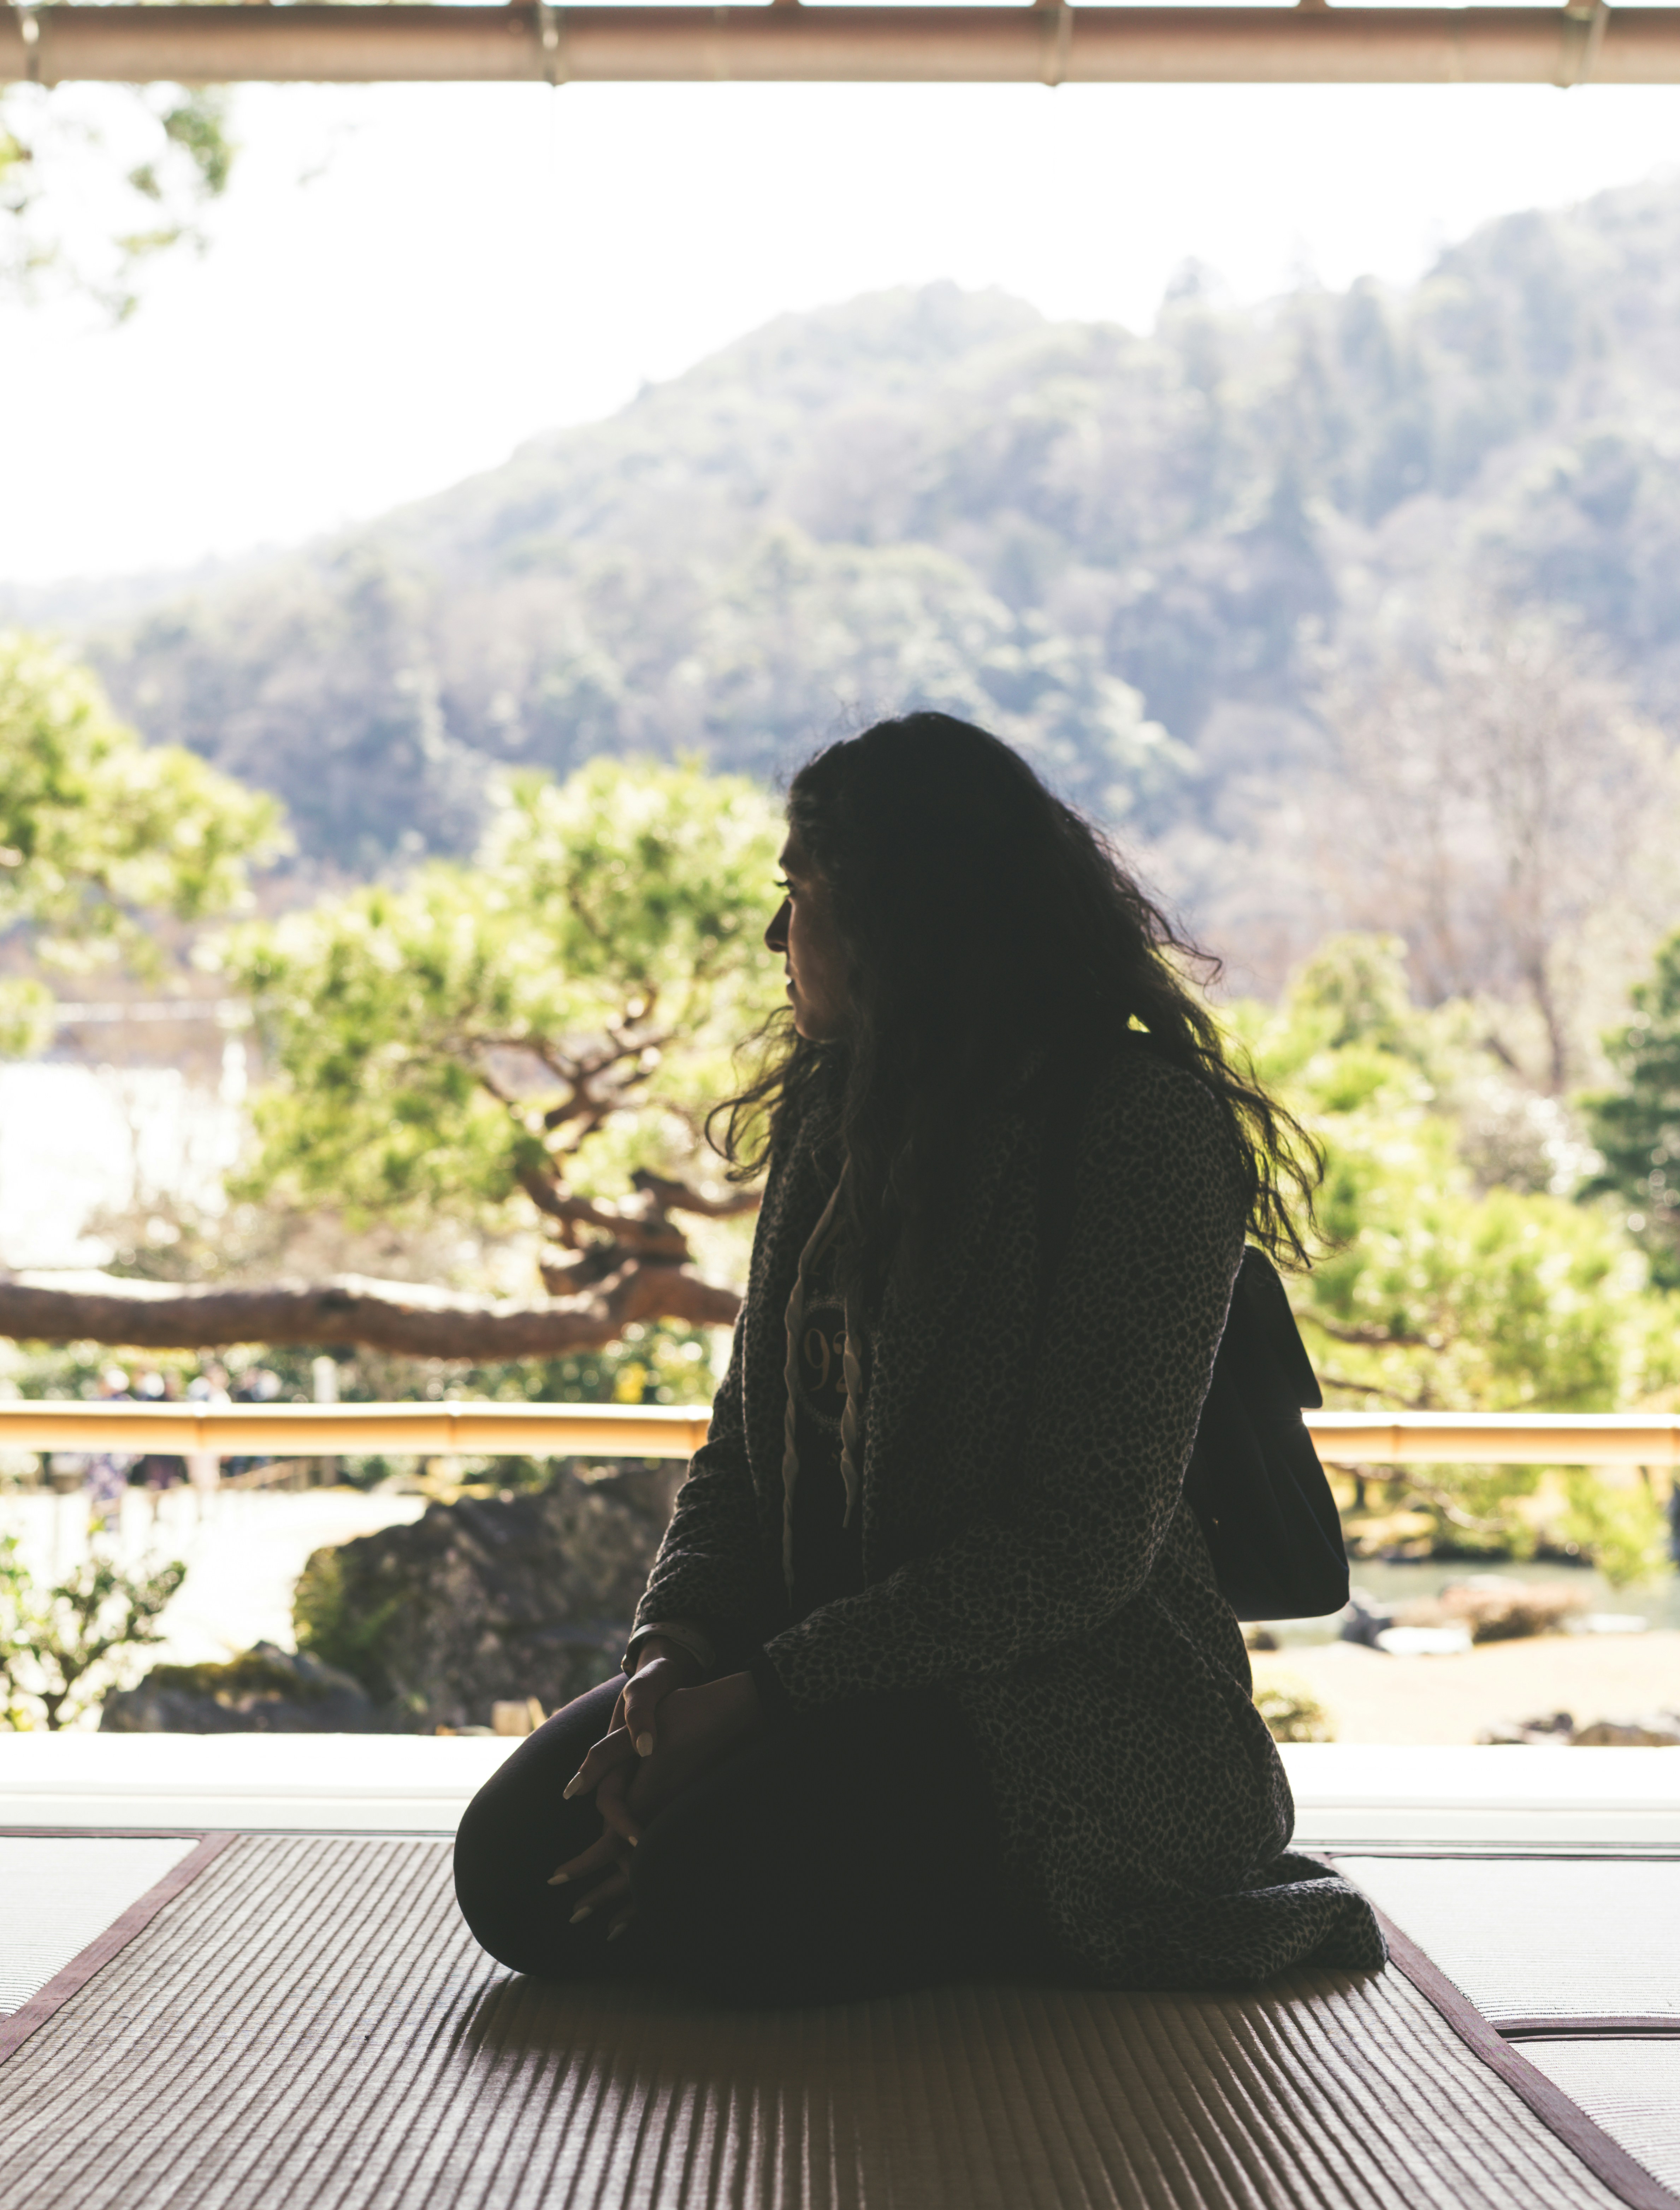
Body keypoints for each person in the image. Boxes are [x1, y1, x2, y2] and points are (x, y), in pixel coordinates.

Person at [454, 715, 1384, 2006]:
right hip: (807, 1669)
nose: (778, 939)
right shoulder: (835, 1106)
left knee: (698, 1893)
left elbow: (1079, 1546)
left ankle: (1002, 1889)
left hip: (1060, 1707)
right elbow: (743, 1439)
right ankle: (865, 1872)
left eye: (801, 895)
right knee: (514, 1870)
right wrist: (675, 1654)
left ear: (906, 914)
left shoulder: (1139, 1130)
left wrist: (766, 1699)